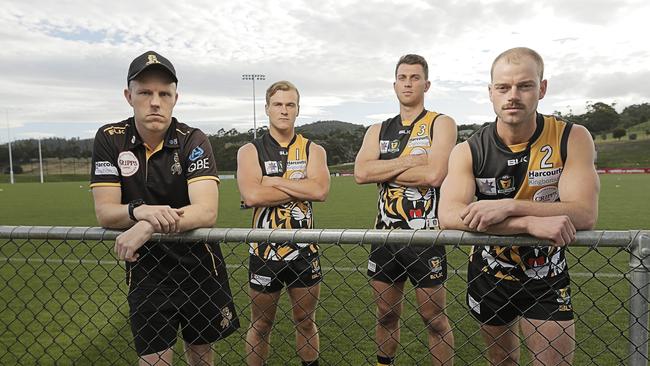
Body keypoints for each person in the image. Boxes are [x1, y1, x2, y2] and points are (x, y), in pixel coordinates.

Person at [439, 47, 599, 366]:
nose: (513, 95)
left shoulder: (572, 137)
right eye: (503, 87)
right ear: (491, 92)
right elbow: (448, 214)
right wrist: (526, 224)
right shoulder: (468, 150)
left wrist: (510, 206)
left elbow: (584, 213)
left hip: (546, 272)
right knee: (502, 360)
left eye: (524, 86)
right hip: (489, 272)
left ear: (542, 88)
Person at [90, 50, 239, 365]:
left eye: (163, 93)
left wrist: (148, 224)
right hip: (148, 271)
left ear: (175, 98)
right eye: (145, 92)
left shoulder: (193, 140)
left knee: (201, 355)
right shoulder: (110, 138)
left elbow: (206, 211)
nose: (154, 101)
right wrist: (139, 211)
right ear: (129, 96)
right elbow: (105, 212)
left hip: (201, 267)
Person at [354, 54, 457, 366]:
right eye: (403, 77)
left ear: (426, 84)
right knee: (385, 315)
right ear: (394, 84)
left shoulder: (442, 123)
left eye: (415, 77)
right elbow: (361, 173)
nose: (408, 83)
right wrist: (414, 160)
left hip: (425, 238)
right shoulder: (377, 130)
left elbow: (435, 175)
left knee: (434, 318)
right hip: (384, 237)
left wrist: (383, 168)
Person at [237, 80, 330, 366]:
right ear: (267, 108)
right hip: (265, 253)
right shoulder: (249, 151)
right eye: (278, 104)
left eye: (290, 105)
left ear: (298, 110)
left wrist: (273, 181)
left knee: (305, 321)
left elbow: (320, 191)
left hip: (305, 252)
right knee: (261, 325)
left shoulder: (314, 150)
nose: (284, 110)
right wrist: (298, 184)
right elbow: (252, 195)